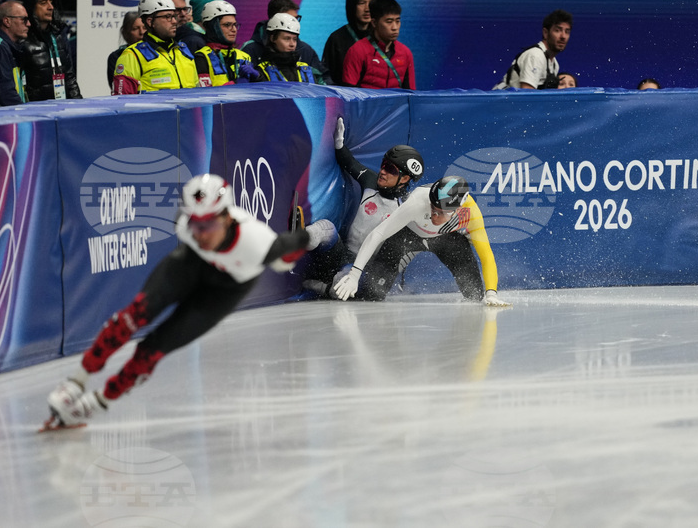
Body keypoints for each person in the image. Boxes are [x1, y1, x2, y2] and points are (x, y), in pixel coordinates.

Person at [42, 174, 337, 429]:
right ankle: (75, 383)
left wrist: (310, 238)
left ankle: (96, 403)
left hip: (225, 289)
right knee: (132, 317)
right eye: (195, 224)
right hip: (192, 264)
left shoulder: (259, 243)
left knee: (152, 350)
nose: (200, 232)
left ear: (227, 216)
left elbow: (297, 241)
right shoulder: (188, 228)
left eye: (208, 224)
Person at [333, 175, 510, 306]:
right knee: (371, 293)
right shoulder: (418, 201)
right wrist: (354, 274)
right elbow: (378, 233)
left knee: (475, 296)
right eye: (433, 208)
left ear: (457, 210)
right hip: (407, 236)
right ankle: (323, 287)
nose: (434, 216)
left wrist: (492, 294)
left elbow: (487, 257)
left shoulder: (471, 214)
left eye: (441, 213)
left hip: (447, 240)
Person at [302, 117, 424, 297]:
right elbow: (350, 163)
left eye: (391, 170)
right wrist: (339, 144)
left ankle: (320, 288)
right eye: (384, 165)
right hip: (340, 250)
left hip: (359, 268)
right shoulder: (371, 181)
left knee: (342, 284)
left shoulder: (407, 208)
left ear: (405, 179)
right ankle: (292, 240)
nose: (383, 171)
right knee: (322, 230)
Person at [112, 0, 199, 95]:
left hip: (187, 111)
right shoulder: (132, 55)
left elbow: (197, 96)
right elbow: (122, 102)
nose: (174, 21)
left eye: (174, 16)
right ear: (150, 21)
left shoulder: (183, 51)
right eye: (168, 17)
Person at [14, 0, 82, 101]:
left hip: (61, 108)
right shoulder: (20, 41)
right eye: (43, 3)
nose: (50, 7)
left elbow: (70, 78)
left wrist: (79, 105)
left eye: (51, 2)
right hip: (33, 113)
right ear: (29, 6)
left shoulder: (58, 37)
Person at [241, 0, 327, 84]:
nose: (292, 44)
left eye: (294, 39)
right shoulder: (250, 49)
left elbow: (323, 82)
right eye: (286, 38)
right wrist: (258, 77)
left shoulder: (305, 50)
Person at [340, 0, 415, 89]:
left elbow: (411, 93)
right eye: (389, 21)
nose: (395, 27)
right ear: (374, 23)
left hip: (396, 104)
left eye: (397, 21)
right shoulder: (357, 51)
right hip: (367, 104)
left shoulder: (405, 53)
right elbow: (349, 93)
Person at [493, 9, 572, 90]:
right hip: (502, 102)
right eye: (557, 30)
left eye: (567, 32)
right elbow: (528, 96)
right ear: (545, 33)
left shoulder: (555, 64)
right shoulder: (535, 56)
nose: (563, 36)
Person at [193, 0, 261, 86]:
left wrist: (258, 77)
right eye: (227, 25)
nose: (234, 29)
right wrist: (235, 84)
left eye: (235, 24)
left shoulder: (244, 56)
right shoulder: (201, 57)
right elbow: (205, 94)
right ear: (213, 27)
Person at [322, 0, 376, 86]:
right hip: (346, 99)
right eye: (361, 3)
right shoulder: (336, 39)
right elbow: (326, 77)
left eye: (371, 3)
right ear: (351, 6)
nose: (367, 9)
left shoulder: (380, 37)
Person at [255, 13, 317, 82]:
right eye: (287, 39)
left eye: (294, 39)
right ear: (273, 38)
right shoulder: (262, 71)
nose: (292, 44)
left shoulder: (305, 69)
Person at [0, 1, 29, 106]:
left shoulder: (12, 48)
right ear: (7, 21)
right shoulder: (0, 48)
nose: (29, 24)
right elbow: (7, 93)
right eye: (23, 19)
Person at [105, 11, 144, 89]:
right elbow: (118, 88)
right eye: (135, 29)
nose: (141, 32)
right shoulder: (116, 57)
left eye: (145, 28)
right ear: (125, 33)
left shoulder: (158, 53)